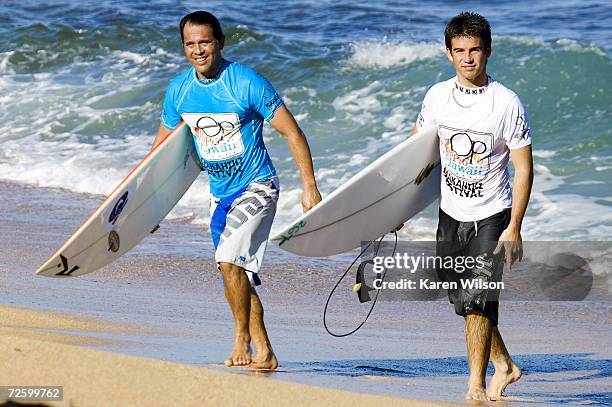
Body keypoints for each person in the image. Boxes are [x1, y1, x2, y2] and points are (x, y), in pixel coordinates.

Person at [152, 11, 322, 370]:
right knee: (236, 273)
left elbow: (293, 132)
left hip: (258, 185)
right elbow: (161, 152)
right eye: (190, 44)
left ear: (220, 42)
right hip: (220, 196)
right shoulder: (179, 91)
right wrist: (149, 209)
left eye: (205, 42)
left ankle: (240, 337)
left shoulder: (246, 83)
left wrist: (309, 187)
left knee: (229, 261)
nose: (198, 50)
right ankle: (266, 352)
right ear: (184, 47)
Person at [411, 12, 533, 401]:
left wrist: (514, 226)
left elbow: (524, 167)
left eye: (475, 50)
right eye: (460, 50)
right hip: (451, 212)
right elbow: (416, 152)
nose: (468, 58)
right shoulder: (436, 96)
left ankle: (475, 386)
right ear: (448, 53)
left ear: (488, 51)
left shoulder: (506, 103)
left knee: (478, 301)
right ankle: (506, 365)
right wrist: (396, 208)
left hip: (491, 214)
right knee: (461, 300)